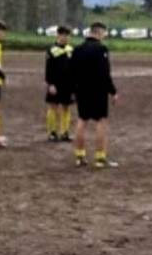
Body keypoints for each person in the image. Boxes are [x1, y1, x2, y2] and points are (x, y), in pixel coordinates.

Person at [71, 22, 119, 169]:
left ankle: (79, 156)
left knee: (82, 121)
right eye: (104, 33)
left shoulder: (77, 49)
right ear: (99, 32)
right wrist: (113, 91)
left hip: (81, 90)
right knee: (101, 123)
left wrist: (74, 89)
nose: (105, 36)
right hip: (98, 91)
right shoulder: (101, 49)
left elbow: (71, 71)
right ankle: (100, 158)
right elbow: (105, 74)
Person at [44, 26, 75, 142]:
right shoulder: (52, 50)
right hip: (55, 84)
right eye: (64, 35)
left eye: (68, 35)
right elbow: (48, 69)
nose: (66, 38)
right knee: (53, 107)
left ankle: (65, 132)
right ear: (58, 35)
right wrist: (50, 83)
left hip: (68, 84)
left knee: (66, 107)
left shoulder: (70, 50)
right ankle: (52, 132)